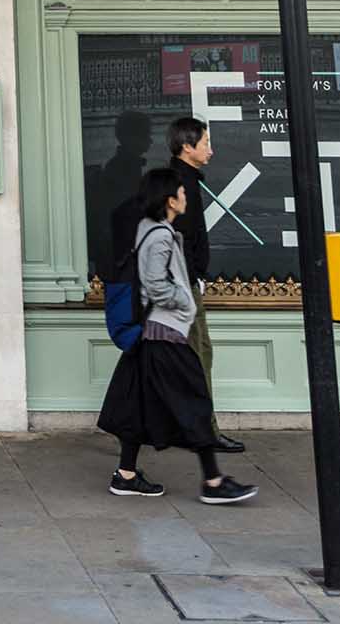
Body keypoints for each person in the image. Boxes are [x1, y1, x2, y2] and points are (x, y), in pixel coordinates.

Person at [98, 165, 257, 506]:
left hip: (151, 333)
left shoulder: (146, 229)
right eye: (181, 193)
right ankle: (213, 481)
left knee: (138, 403)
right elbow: (155, 283)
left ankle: (126, 475)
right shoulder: (159, 236)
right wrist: (184, 301)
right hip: (165, 331)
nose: (186, 197)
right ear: (170, 200)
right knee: (194, 400)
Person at [169, 114, 244, 455]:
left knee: (190, 355)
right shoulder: (180, 183)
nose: (211, 150)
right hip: (184, 281)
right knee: (199, 355)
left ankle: (189, 426)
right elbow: (183, 236)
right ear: (187, 147)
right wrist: (194, 276)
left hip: (183, 279)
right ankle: (203, 431)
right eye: (206, 144)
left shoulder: (184, 178)